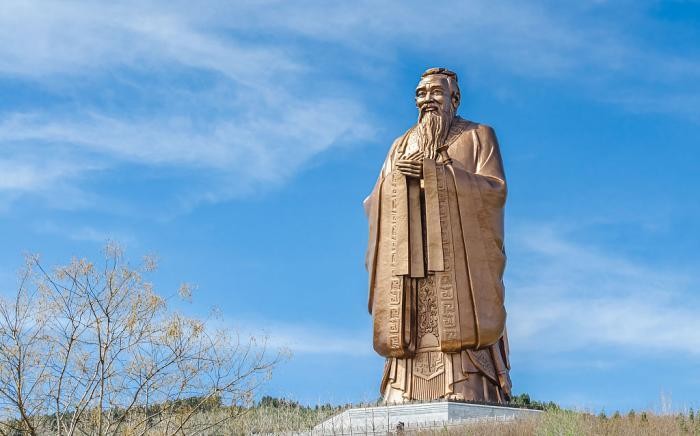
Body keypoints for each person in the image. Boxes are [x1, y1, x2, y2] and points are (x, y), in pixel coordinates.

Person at [364, 68, 512, 403]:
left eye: (435, 92)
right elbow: (374, 200)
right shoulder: (401, 145)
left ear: (454, 99)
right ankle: (403, 390)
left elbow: (494, 191)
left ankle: (466, 384)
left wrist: (436, 175)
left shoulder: (478, 136)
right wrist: (398, 183)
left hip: (457, 258)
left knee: (456, 317)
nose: (427, 100)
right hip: (409, 258)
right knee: (409, 320)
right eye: (421, 93)